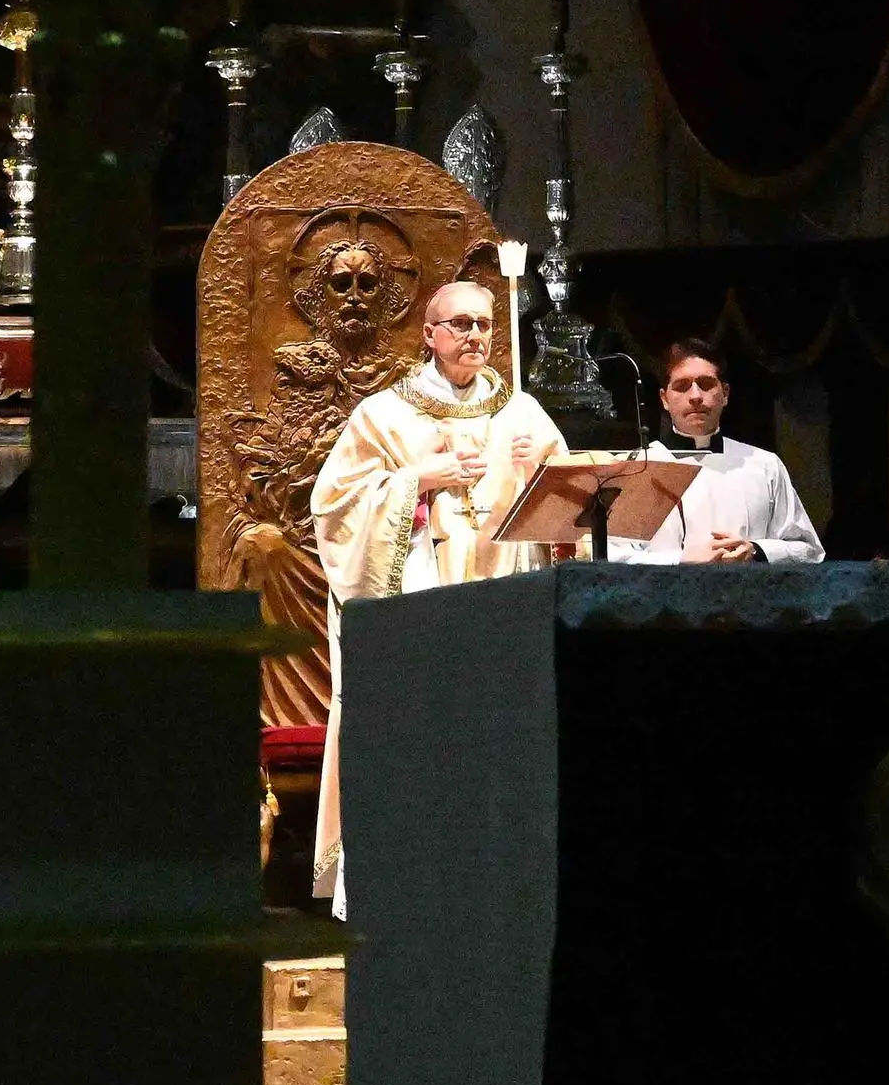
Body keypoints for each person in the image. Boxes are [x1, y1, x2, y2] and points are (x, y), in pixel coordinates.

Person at [307, 277, 568, 913]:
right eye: (460, 324)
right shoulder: (383, 416)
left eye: (483, 323)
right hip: (422, 615)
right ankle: (410, 893)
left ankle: (501, 891)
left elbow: (572, 522)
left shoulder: (523, 414)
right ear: (429, 336)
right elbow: (333, 509)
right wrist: (412, 483)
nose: (475, 335)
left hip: (503, 614)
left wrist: (544, 473)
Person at [607, 338, 824, 566]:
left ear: (726, 393)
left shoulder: (764, 465)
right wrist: (680, 560)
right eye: (682, 386)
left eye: (706, 384)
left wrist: (757, 551)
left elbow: (809, 550)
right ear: (664, 399)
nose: (696, 396)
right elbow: (611, 556)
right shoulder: (637, 468)